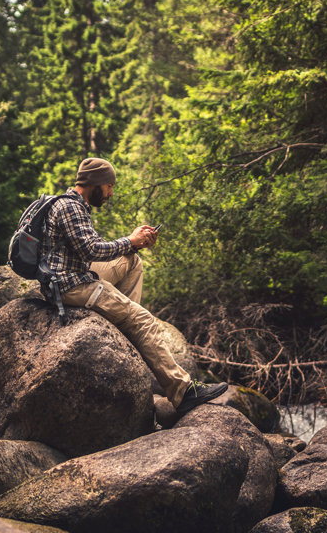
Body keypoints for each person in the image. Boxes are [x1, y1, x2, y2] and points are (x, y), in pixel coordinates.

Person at [40, 156, 228, 417]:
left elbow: (91, 249)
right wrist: (129, 239)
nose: (110, 193)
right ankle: (183, 392)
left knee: (131, 260)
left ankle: (126, 328)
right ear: (95, 183)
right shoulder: (71, 208)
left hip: (74, 275)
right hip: (71, 285)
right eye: (109, 186)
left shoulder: (73, 204)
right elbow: (92, 249)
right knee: (144, 320)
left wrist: (133, 244)